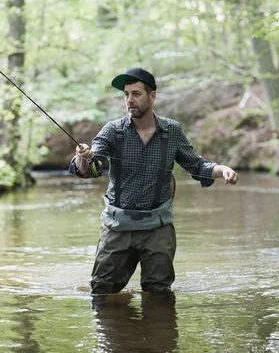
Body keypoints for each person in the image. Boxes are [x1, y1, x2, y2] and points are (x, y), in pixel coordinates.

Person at [69, 67, 238, 295]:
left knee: (159, 295)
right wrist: (82, 157)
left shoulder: (172, 131)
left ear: (152, 96)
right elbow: (90, 169)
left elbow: (197, 166)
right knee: (102, 293)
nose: (130, 100)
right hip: (117, 228)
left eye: (136, 94)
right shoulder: (112, 131)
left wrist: (222, 169)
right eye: (126, 94)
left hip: (158, 229)